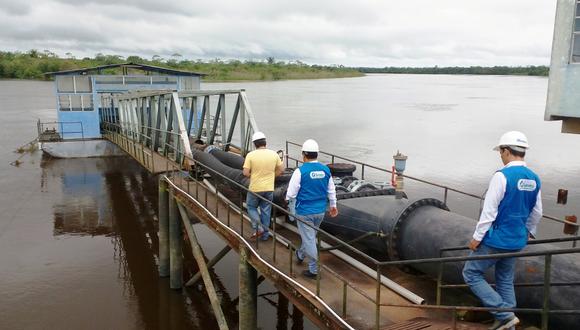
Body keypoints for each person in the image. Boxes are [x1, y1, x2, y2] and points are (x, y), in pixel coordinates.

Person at [462, 131, 542, 330]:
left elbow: (489, 212)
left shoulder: (502, 176)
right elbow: (537, 212)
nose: (500, 155)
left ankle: (504, 315)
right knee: (505, 279)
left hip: (496, 240)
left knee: (471, 273)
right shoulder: (534, 178)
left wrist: (476, 238)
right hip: (517, 240)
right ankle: (509, 325)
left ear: (507, 151)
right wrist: (528, 232)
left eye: (501, 151)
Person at [285, 139, 338, 279]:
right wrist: (333, 205)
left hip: (304, 211)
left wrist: (288, 203)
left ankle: (314, 269)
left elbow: (291, 193)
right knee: (310, 236)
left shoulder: (300, 171)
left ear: (304, 154)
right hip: (320, 211)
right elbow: (331, 190)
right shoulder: (326, 170)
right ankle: (300, 254)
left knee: (309, 239)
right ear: (317, 154)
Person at [243, 132, 284, 241]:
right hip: (269, 188)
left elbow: (246, 173)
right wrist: (271, 176)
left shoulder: (251, 155)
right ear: (265, 142)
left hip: (255, 188)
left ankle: (258, 228)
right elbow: (281, 170)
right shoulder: (274, 154)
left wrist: (255, 175)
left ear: (254, 144)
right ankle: (265, 235)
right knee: (266, 210)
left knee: (251, 207)